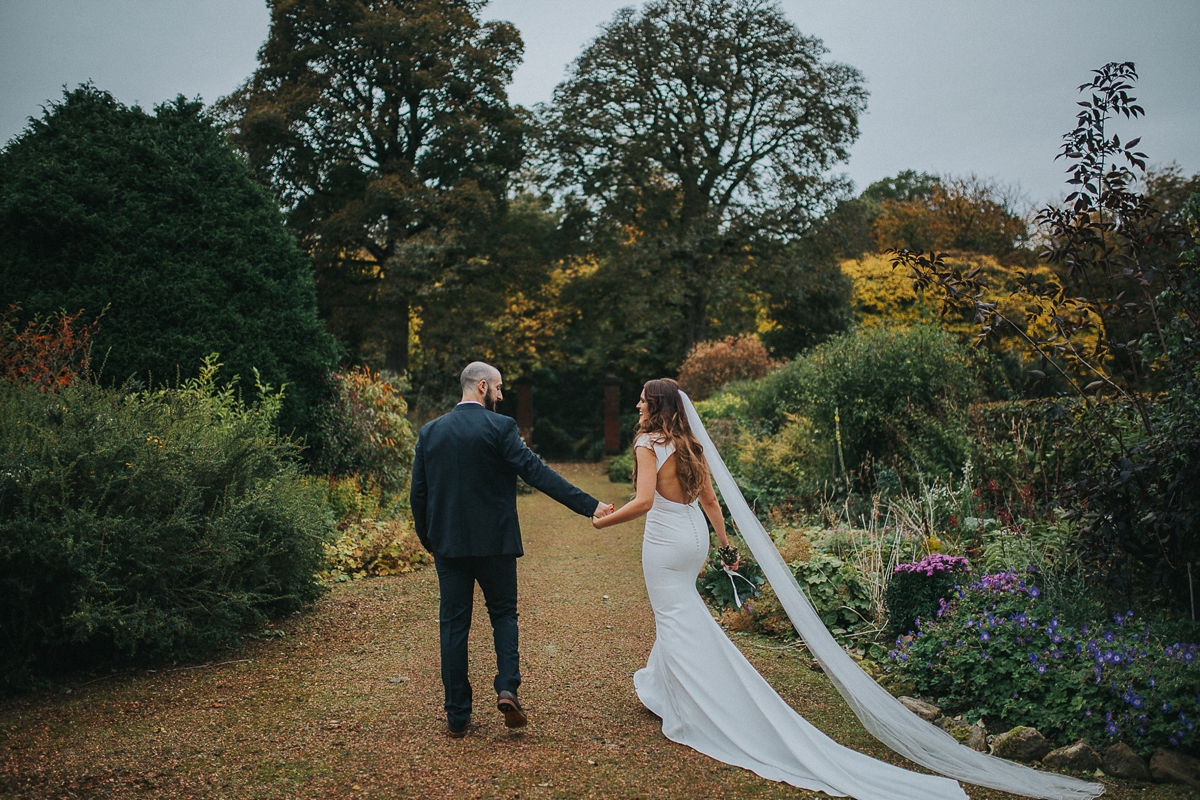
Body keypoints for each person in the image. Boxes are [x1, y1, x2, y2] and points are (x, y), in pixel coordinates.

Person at [592, 378, 968, 800]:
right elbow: (711, 502)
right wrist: (725, 546)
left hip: (664, 541)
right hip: (693, 535)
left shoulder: (649, 443)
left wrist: (602, 520)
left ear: (655, 403)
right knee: (683, 611)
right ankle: (660, 686)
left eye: (643, 398)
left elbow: (644, 501)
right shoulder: (691, 444)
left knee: (673, 616)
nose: (638, 403)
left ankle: (696, 708)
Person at [410, 361, 614, 738]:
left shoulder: (430, 432)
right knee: (503, 615)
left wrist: (431, 540)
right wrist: (589, 505)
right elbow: (537, 473)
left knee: (454, 626)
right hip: (496, 545)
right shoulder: (500, 428)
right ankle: (507, 686)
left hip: (449, 548)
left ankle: (457, 715)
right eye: (500, 389)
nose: (502, 396)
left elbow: (418, 495)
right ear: (483, 386)